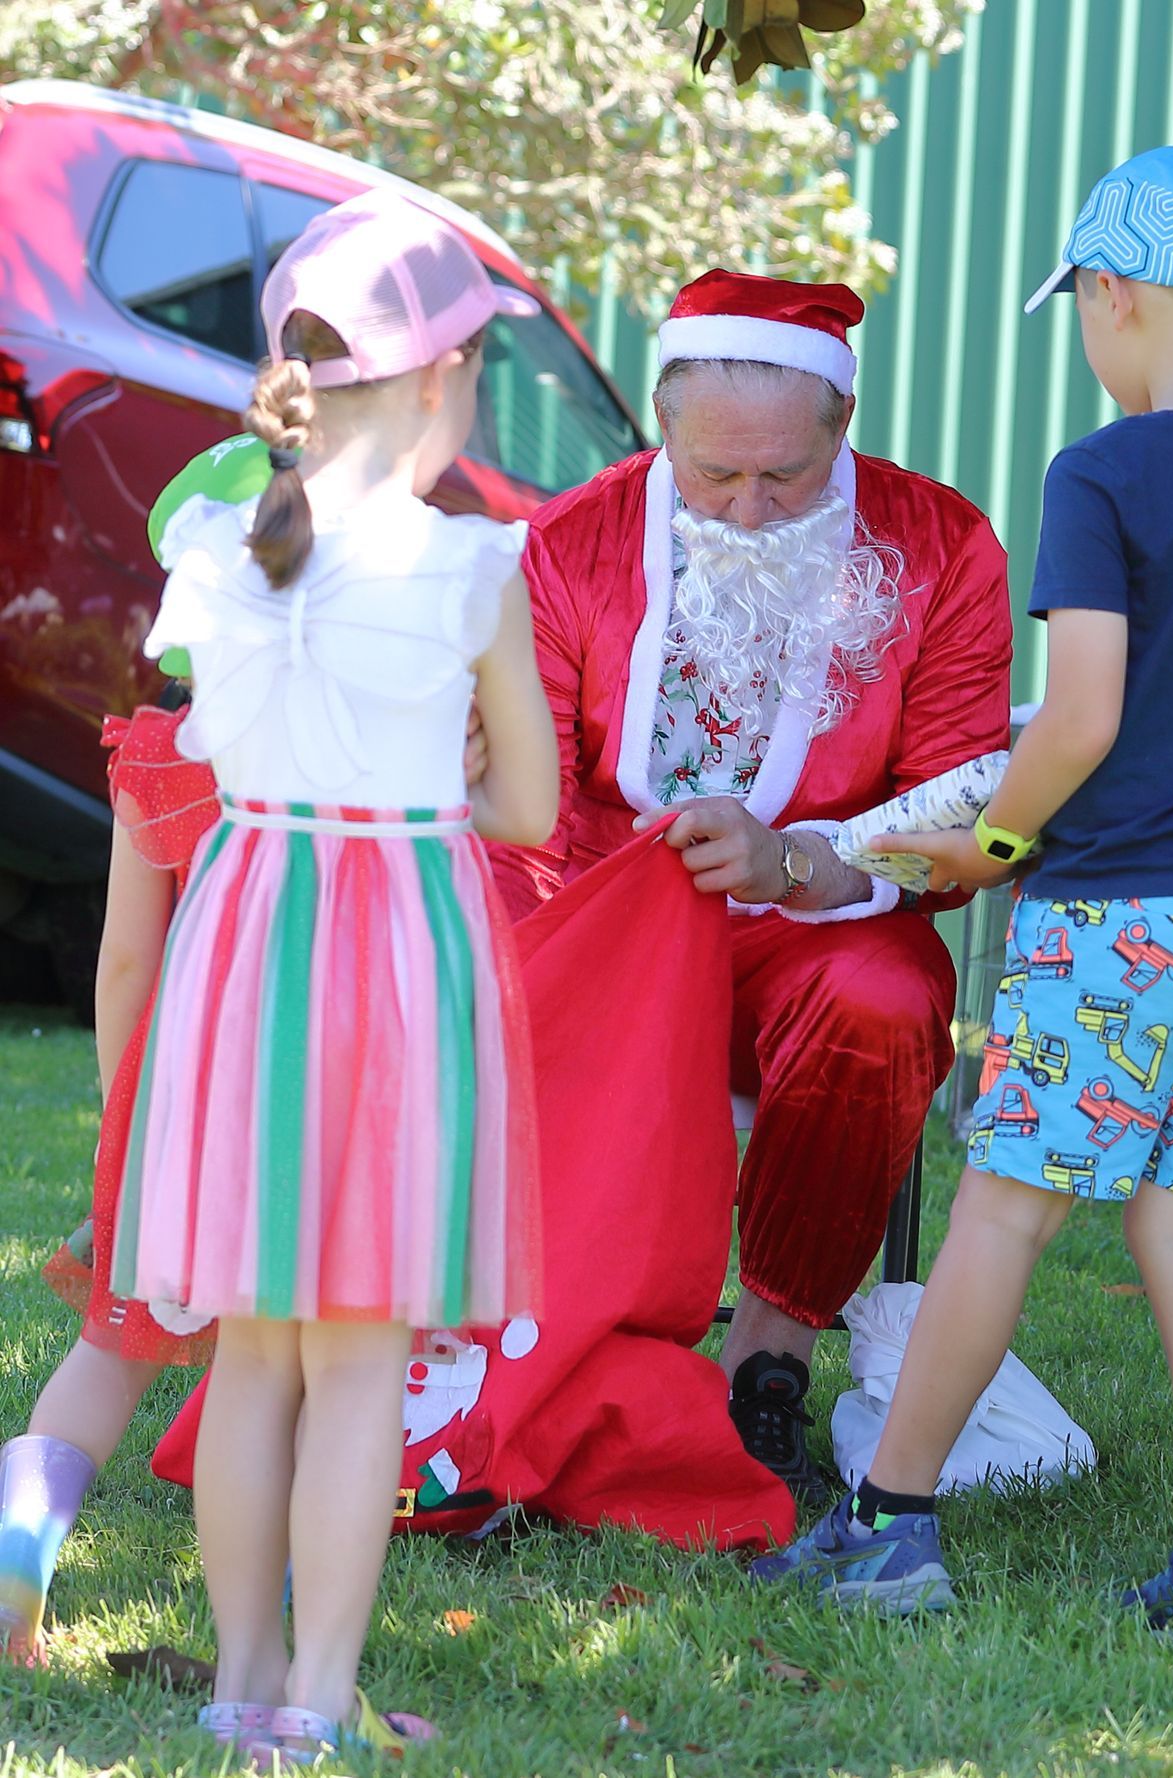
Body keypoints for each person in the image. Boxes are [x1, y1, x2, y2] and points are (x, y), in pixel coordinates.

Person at [753, 146, 1173, 1647]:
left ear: (1114, 294)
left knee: (1006, 1212)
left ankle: (889, 1525)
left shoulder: (1101, 470)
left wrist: (995, 847)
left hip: (1112, 921)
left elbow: (1077, 717)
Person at [110, 189, 557, 1755]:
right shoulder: (468, 567)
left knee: (253, 1346)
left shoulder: (208, 546)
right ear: (442, 380)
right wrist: (456, 755)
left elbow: (213, 753)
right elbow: (530, 812)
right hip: (396, 946)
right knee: (359, 1350)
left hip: (244, 933)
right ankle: (318, 1694)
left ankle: (241, 1673)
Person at [485, 268, 1013, 1505]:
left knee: (884, 1006)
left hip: (812, 923)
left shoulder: (939, 546)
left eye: (784, 475)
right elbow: (527, 812)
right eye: (713, 474)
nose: (747, 506)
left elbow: (977, 795)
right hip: (606, 913)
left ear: (843, 429)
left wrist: (802, 861)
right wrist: (562, 945)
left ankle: (763, 1360)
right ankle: (543, 1349)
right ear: (663, 424)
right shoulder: (569, 545)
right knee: (499, 984)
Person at [0, 707, 218, 1669]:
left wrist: (124, 1135)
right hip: (306, 1095)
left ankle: (14, 1572)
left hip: (173, 1094)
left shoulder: (167, 750)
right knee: (282, 1370)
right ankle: (275, 1613)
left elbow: (127, 959)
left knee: (108, 1350)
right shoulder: (357, 732)